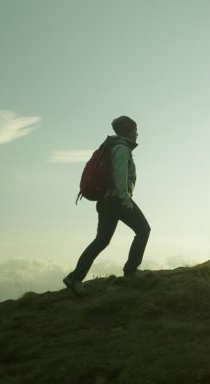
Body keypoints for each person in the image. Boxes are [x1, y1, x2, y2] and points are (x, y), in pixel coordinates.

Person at [63, 116, 151, 296]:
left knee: (102, 240)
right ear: (129, 131)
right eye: (135, 130)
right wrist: (125, 201)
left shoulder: (111, 146)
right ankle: (131, 272)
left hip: (104, 202)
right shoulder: (121, 148)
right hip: (117, 200)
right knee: (143, 230)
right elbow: (120, 177)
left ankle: (75, 278)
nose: (137, 133)